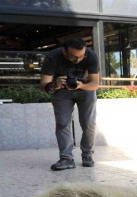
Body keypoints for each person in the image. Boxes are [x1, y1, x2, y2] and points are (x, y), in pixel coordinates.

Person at [40, 37, 100, 170]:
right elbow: (43, 85)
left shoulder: (91, 56)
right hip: (61, 91)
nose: (78, 60)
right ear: (64, 51)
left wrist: (81, 86)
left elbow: (95, 84)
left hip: (85, 89)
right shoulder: (52, 57)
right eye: (73, 57)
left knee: (88, 123)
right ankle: (66, 159)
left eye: (81, 56)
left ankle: (87, 155)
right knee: (62, 123)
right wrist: (54, 84)